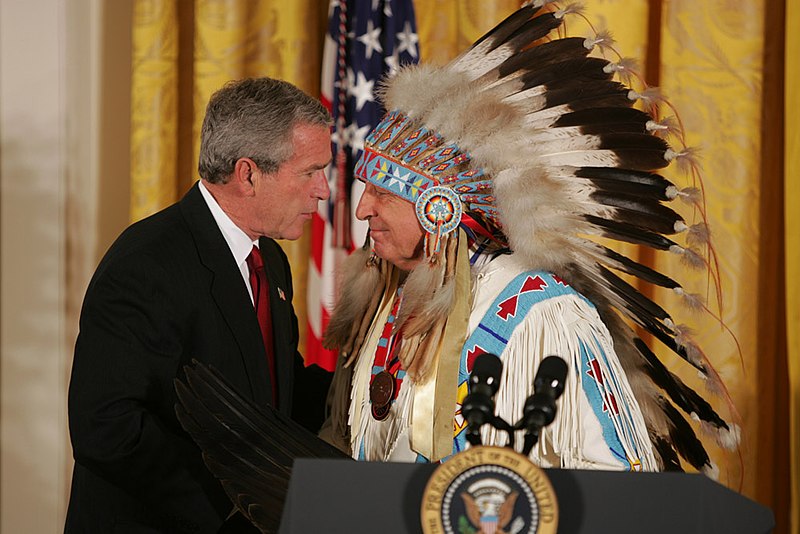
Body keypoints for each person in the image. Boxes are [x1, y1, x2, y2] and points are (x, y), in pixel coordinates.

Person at [321, 3, 740, 473]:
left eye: (382, 192)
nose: (361, 209)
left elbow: (615, 481)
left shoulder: (544, 313)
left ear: (440, 206)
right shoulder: (395, 299)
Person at [65, 77, 332, 533]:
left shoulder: (268, 257)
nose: (323, 190)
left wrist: (377, 382)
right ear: (248, 174)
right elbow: (106, 427)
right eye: (310, 171)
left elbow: (272, 394)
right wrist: (235, 504)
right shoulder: (148, 263)